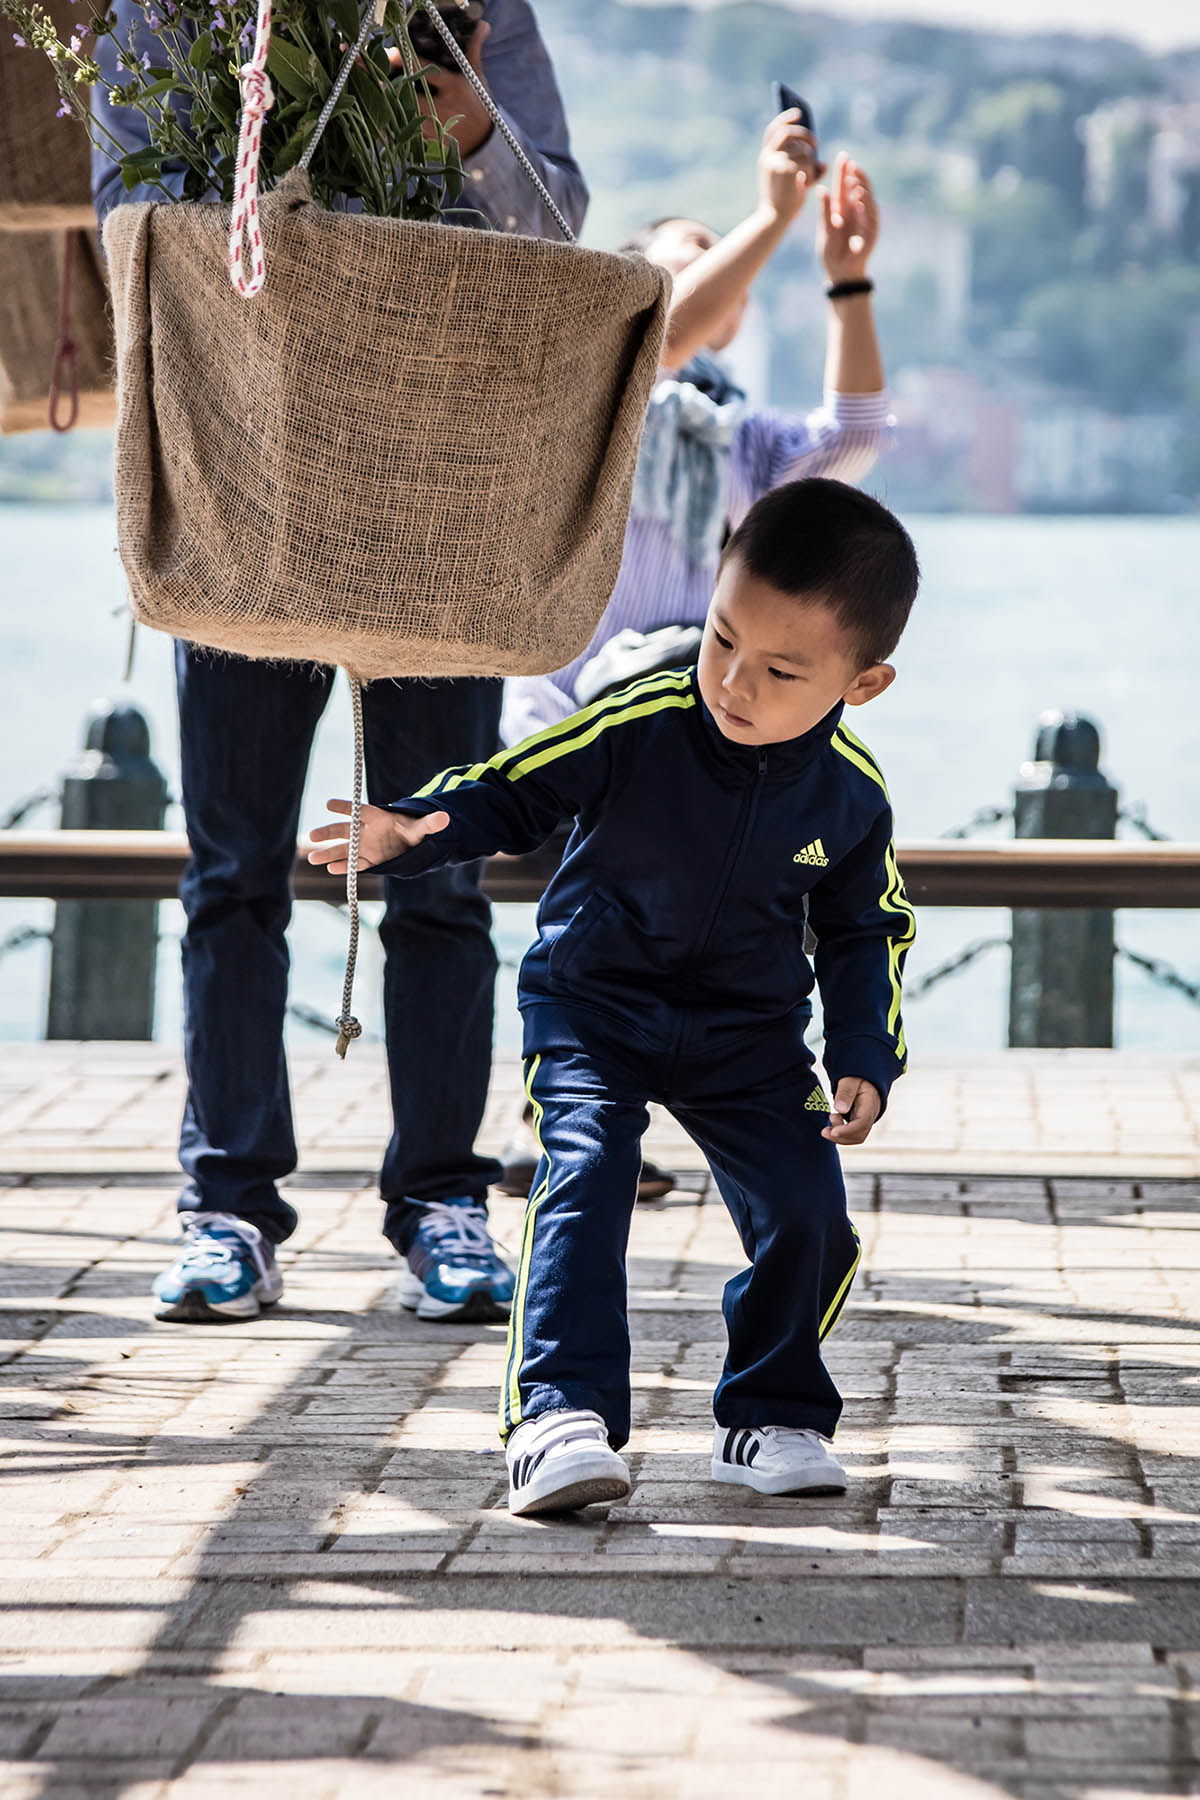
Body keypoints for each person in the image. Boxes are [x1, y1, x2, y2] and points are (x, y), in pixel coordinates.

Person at [91, 1, 589, 1324]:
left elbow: (557, 229)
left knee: (438, 872)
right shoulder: (163, 12)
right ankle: (227, 1206)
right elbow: (121, 229)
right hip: (241, 488)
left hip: (436, 490)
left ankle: (443, 1200)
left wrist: (471, 125)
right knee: (234, 873)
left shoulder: (475, 12)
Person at [308, 478, 919, 1515]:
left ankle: (770, 1416)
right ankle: (556, 1415)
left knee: (812, 1215)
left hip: (750, 1034)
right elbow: (513, 785)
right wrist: (412, 828)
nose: (733, 682)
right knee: (586, 1170)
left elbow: (868, 929)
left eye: (780, 670)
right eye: (722, 639)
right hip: (595, 1004)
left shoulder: (852, 794)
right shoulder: (640, 718)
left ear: (861, 684)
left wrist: (864, 1052)